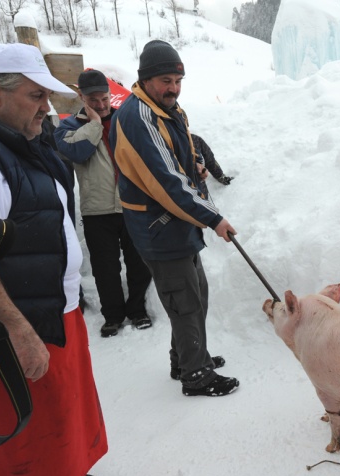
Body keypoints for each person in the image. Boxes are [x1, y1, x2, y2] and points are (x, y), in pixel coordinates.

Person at [0, 43, 107, 476]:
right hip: (19, 318)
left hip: (49, 305)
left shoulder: (18, 142)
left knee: (60, 410)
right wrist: (15, 328)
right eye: (36, 96)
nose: (47, 108)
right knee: (30, 423)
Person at [110, 40, 239, 397]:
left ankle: (185, 357)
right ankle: (195, 375)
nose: (174, 88)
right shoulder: (137, 118)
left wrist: (195, 166)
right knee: (185, 301)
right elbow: (168, 182)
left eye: (178, 80)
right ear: (146, 79)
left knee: (195, 294)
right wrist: (214, 218)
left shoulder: (169, 110)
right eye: (166, 80)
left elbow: (180, 157)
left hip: (176, 223)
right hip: (159, 228)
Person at [55, 69, 153, 338]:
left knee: (137, 262)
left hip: (131, 205)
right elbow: (76, 151)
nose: (100, 104)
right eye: (93, 99)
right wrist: (96, 123)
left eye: (104, 98)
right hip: (97, 209)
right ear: (81, 97)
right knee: (104, 267)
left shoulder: (125, 121)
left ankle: (137, 310)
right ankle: (113, 316)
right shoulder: (68, 127)